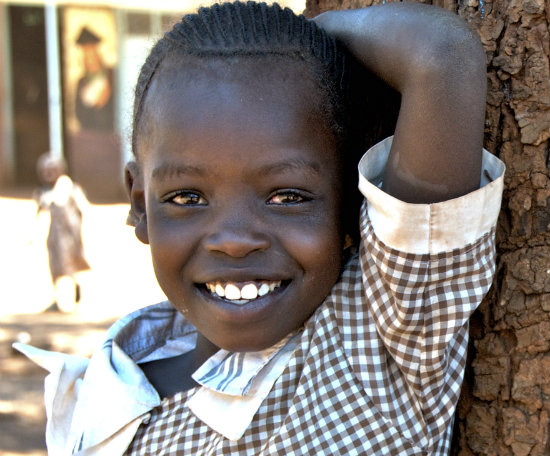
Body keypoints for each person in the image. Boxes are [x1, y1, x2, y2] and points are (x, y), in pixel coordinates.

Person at [15, 2, 505, 454]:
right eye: (187, 198)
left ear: (352, 200)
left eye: (286, 197)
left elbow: (441, 57)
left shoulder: (377, 341)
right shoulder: (104, 387)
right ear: (140, 205)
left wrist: (306, 37)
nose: (233, 239)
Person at [33, 153, 90, 313]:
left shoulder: (65, 184)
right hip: (54, 234)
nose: (48, 173)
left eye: (51, 169)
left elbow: (82, 206)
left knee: (70, 264)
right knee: (55, 265)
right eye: (44, 170)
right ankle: (56, 299)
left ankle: (75, 296)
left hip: (69, 233)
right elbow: (41, 210)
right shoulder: (45, 190)